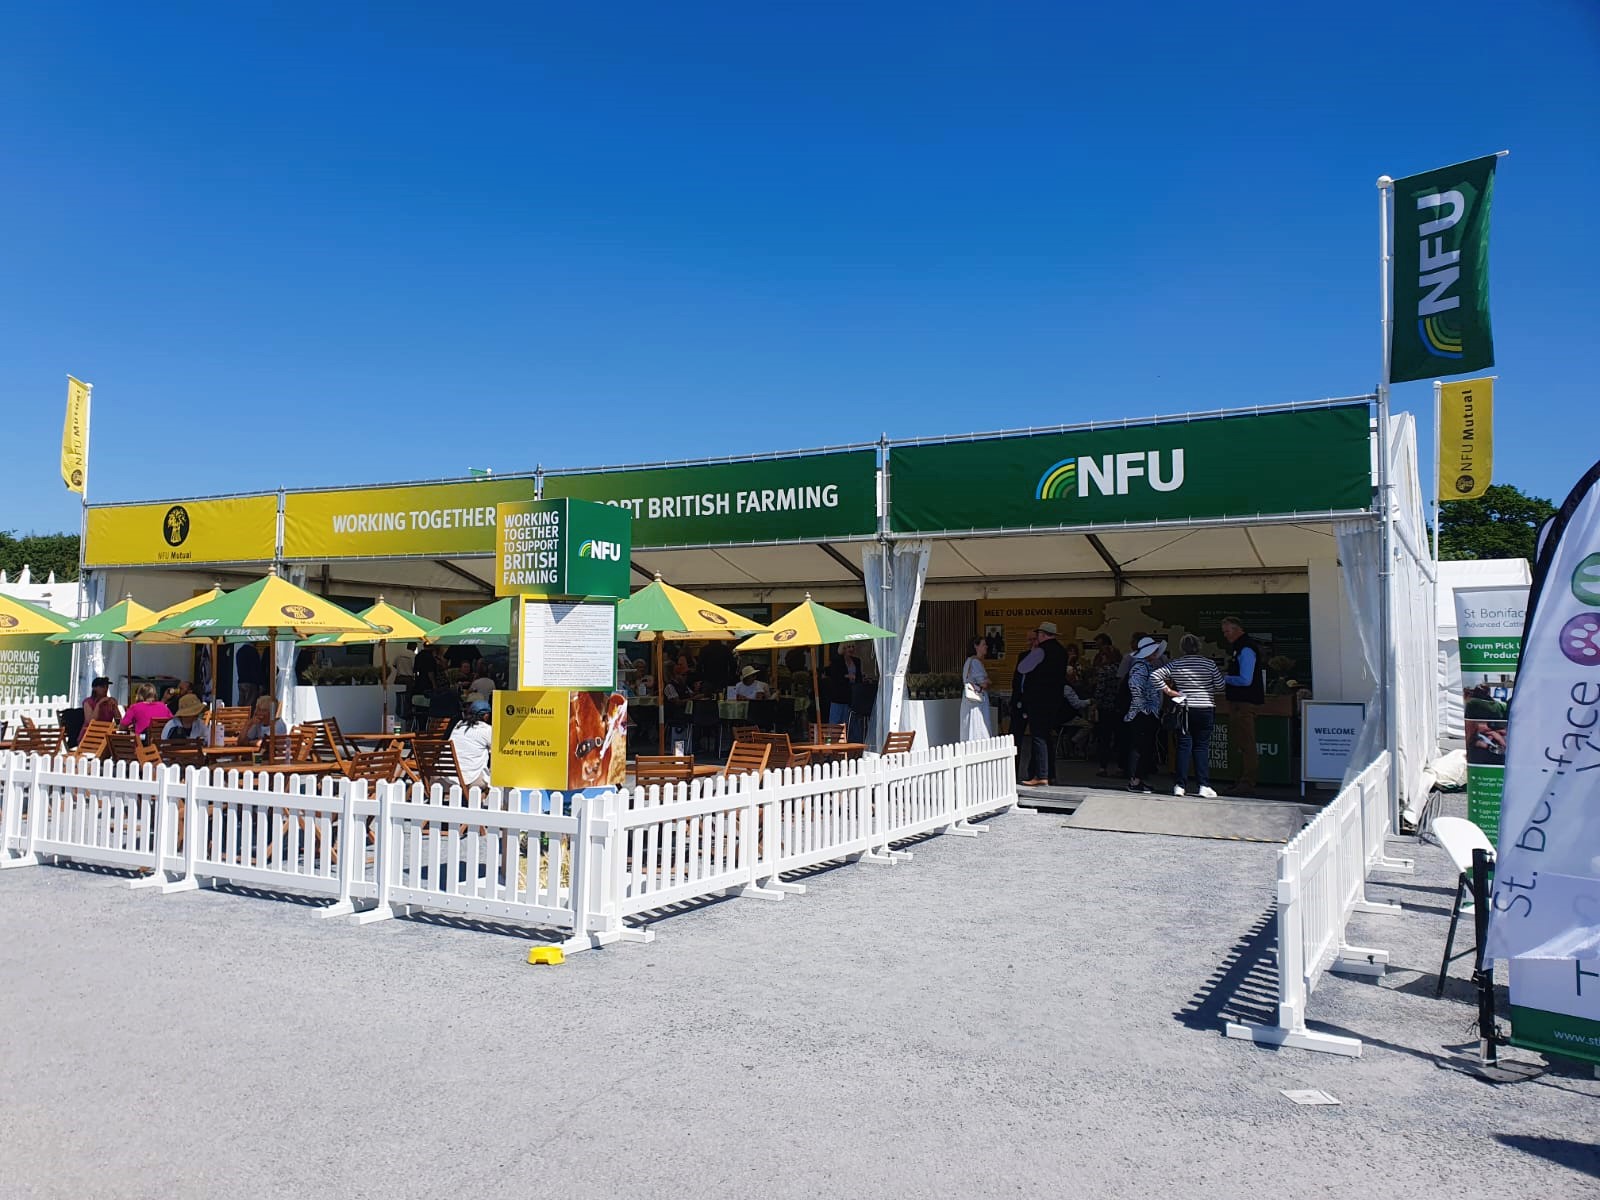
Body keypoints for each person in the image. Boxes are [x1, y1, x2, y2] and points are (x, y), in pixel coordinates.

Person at [1153, 633, 1225, 797]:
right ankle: (1203, 785)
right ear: (1198, 647)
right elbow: (1220, 685)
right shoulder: (1209, 664)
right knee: (1201, 747)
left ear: (1182, 648)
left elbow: (1155, 675)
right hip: (1205, 707)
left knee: (1184, 746)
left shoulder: (1176, 664)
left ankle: (1180, 785)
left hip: (1184, 707)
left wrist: (1170, 692)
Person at [1018, 621, 1067, 787]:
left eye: (1038, 634)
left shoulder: (1041, 651)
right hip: (1054, 700)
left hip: (1038, 700)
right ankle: (1051, 774)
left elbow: (1023, 668)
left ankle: (1041, 775)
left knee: (1038, 737)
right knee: (1048, 737)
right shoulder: (1062, 651)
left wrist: (1032, 652)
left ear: (1043, 634)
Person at [1221, 616, 1266, 793]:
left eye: (1227, 631)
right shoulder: (1239, 647)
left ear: (1237, 629)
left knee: (1246, 743)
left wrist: (1224, 678)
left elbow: (1246, 679)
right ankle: (1241, 779)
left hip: (1245, 702)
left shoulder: (1245, 648)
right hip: (1238, 702)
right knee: (1241, 742)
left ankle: (1247, 782)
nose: (1225, 635)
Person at [1124, 636, 1166, 793]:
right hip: (1143, 714)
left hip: (1144, 712)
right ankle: (1135, 780)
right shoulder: (1141, 667)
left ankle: (1137, 779)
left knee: (1144, 747)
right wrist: (1145, 708)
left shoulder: (1145, 666)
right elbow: (1135, 687)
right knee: (1142, 747)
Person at [1090, 640, 1123, 778]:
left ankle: (1103, 766)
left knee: (1104, 738)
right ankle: (1122, 766)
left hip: (1106, 707)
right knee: (1120, 737)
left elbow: (1100, 690)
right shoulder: (1121, 670)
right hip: (1119, 706)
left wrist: (1095, 704)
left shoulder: (1105, 671)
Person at [451, 699, 494, 789]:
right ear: (486, 716)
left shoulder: (459, 725)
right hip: (469, 779)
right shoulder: (487, 730)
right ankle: (478, 800)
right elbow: (496, 752)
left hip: (447, 777)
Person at [961, 636, 993, 741]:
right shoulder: (975, 662)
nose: (986, 647)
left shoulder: (969, 661)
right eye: (983, 644)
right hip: (977, 701)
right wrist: (988, 681)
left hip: (969, 699)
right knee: (978, 727)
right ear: (976, 646)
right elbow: (983, 683)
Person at [825, 643, 862, 729]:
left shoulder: (857, 661)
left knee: (848, 723)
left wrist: (851, 677)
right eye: (849, 647)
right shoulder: (837, 661)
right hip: (838, 696)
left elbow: (859, 677)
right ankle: (833, 741)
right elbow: (835, 676)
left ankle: (848, 741)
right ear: (843, 649)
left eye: (853, 647)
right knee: (835, 722)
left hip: (851, 697)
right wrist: (847, 677)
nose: (851, 649)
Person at [235, 642, 266, 707]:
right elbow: (256, 669)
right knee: (250, 705)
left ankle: (240, 717)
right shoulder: (253, 651)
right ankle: (248, 717)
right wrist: (260, 683)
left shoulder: (239, 651)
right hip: (251, 683)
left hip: (241, 682)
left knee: (241, 705)